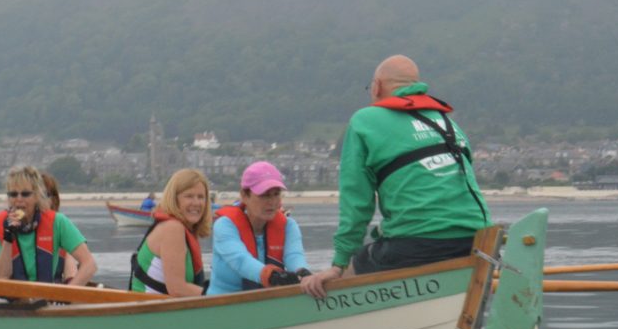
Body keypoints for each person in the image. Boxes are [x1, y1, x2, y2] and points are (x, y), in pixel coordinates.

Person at [301, 55, 491, 299]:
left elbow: (356, 203)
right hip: (480, 241)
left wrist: (338, 265)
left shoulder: (365, 121)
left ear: (377, 86)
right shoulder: (448, 123)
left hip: (418, 243)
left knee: (347, 276)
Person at [206, 161, 309, 295]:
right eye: (264, 195)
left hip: (265, 303)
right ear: (244, 196)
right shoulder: (225, 226)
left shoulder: (289, 226)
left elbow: (294, 256)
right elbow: (241, 260)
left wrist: (304, 274)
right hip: (224, 303)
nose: (272, 202)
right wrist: (271, 275)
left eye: (276, 194)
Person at [0, 165, 97, 286]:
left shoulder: (58, 221)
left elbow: (89, 264)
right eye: (13, 194)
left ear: (36, 196)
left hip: (44, 298)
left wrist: (67, 294)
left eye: (25, 194)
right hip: (11, 301)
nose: (19, 199)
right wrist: (8, 238)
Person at [129, 169, 212, 296]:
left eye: (201, 197)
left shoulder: (183, 229)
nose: (196, 203)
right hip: (149, 311)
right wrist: (219, 294)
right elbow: (177, 289)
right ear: (174, 199)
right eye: (189, 196)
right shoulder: (172, 228)